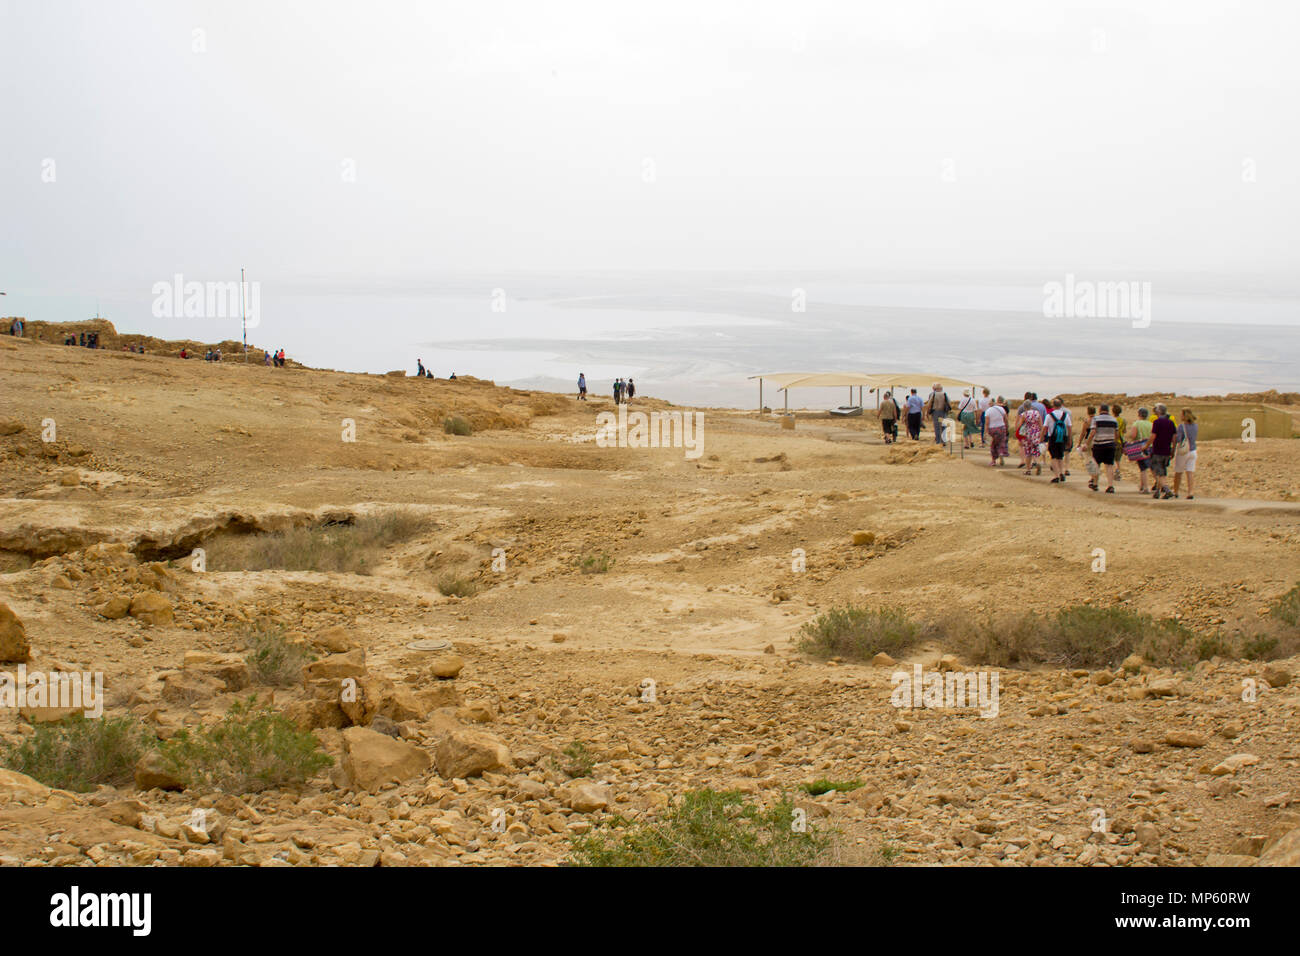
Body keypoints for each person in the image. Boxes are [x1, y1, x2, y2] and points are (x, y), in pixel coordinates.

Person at [1145, 403, 1177, 499]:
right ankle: (1158, 491)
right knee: (1162, 470)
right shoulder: (1170, 423)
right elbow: (1174, 437)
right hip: (1167, 450)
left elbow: (1153, 436)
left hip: (1158, 450)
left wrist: (1146, 446)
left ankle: (1167, 490)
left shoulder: (1157, 422)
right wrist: (1173, 450)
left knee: (1157, 471)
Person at [1085, 403, 1120, 492]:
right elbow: (1117, 434)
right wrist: (1114, 442)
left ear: (1100, 410)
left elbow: (1093, 432)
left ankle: (1095, 484)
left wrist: (1087, 443)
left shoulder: (1096, 419)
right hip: (1110, 445)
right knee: (1109, 465)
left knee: (1096, 464)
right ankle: (1110, 485)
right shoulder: (1114, 420)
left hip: (1099, 445)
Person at [1043, 397, 1072, 483]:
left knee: (1053, 457)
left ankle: (1056, 475)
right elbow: (1069, 427)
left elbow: (1045, 428)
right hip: (1063, 437)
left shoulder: (1049, 416)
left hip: (1053, 437)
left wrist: (1042, 438)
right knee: (1060, 456)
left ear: (1053, 406)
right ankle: (1061, 472)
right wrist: (1069, 439)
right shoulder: (1065, 415)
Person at [1126, 407, 1153, 493]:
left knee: (1143, 468)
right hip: (1151, 446)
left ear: (1139, 414)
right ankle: (1159, 485)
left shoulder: (1136, 423)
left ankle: (1145, 488)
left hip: (1141, 447)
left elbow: (1133, 435)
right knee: (1152, 467)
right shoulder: (1151, 424)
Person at [1173, 408, 1198, 499]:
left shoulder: (1181, 426)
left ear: (1184, 415)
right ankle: (1190, 492)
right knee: (1190, 472)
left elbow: (1179, 439)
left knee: (1178, 472)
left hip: (1184, 451)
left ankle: (1175, 491)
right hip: (1193, 450)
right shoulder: (1195, 426)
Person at [1015, 397, 1043, 475]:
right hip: (1036, 433)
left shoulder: (1024, 414)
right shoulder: (1037, 413)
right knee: (1035, 449)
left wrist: (1018, 430)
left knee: (1028, 452)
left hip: (1028, 434)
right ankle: (1037, 462)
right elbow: (1041, 425)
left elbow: (1020, 425)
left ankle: (1028, 470)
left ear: (1024, 407)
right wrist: (1041, 433)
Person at [984, 396, 1009, 466]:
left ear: (989, 404)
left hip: (992, 429)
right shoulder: (1001, 409)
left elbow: (987, 423)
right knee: (1001, 443)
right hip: (1002, 427)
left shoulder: (988, 411)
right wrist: (1007, 428)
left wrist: (985, 433)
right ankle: (1001, 453)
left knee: (993, 445)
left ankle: (993, 460)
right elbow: (1006, 420)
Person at [1111, 404, 1127, 481]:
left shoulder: (1112, 420)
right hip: (1120, 441)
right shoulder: (1123, 420)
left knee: (1112, 459)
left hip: (1113, 440)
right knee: (1118, 460)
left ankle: (1115, 471)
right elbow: (1124, 431)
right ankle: (1118, 473)